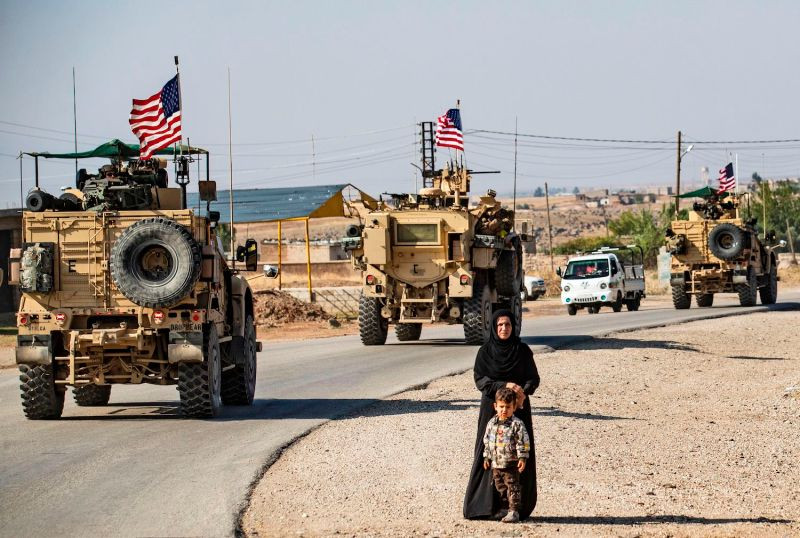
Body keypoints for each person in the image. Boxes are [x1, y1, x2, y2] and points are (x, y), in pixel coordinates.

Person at [463, 309, 540, 521]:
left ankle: (515, 507)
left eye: (507, 325)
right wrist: (505, 386)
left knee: (518, 452)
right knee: (488, 451)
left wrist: (522, 391)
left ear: (513, 327)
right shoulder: (485, 352)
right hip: (492, 409)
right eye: (499, 325)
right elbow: (481, 380)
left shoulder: (522, 351)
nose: (504, 328)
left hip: (519, 409)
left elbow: (533, 378)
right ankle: (486, 505)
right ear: (493, 328)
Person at [482, 387, 530, 523]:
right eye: (501, 407)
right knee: (500, 487)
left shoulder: (517, 424)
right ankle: (504, 508)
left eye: (508, 407)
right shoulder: (492, 423)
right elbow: (487, 441)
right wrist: (487, 457)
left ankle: (514, 511)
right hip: (496, 463)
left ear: (514, 407)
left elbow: (523, 441)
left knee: (512, 487)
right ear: (495, 406)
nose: (504, 410)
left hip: (511, 462)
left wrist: (522, 457)